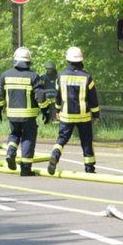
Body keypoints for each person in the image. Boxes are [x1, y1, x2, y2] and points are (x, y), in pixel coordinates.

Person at [0, 47, 51, 176]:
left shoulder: (5, 75)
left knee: (14, 134)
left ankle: (10, 152)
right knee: (28, 139)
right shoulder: (33, 76)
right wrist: (46, 110)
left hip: (12, 115)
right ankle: (25, 169)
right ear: (28, 61)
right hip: (29, 116)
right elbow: (40, 96)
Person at [47, 46, 100, 174]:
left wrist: (58, 110)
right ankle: (89, 168)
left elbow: (58, 96)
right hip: (83, 116)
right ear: (81, 60)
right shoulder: (87, 77)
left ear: (68, 60)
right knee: (86, 141)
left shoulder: (61, 77)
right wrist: (96, 114)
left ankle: (55, 155)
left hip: (66, 115)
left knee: (62, 139)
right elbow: (93, 98)